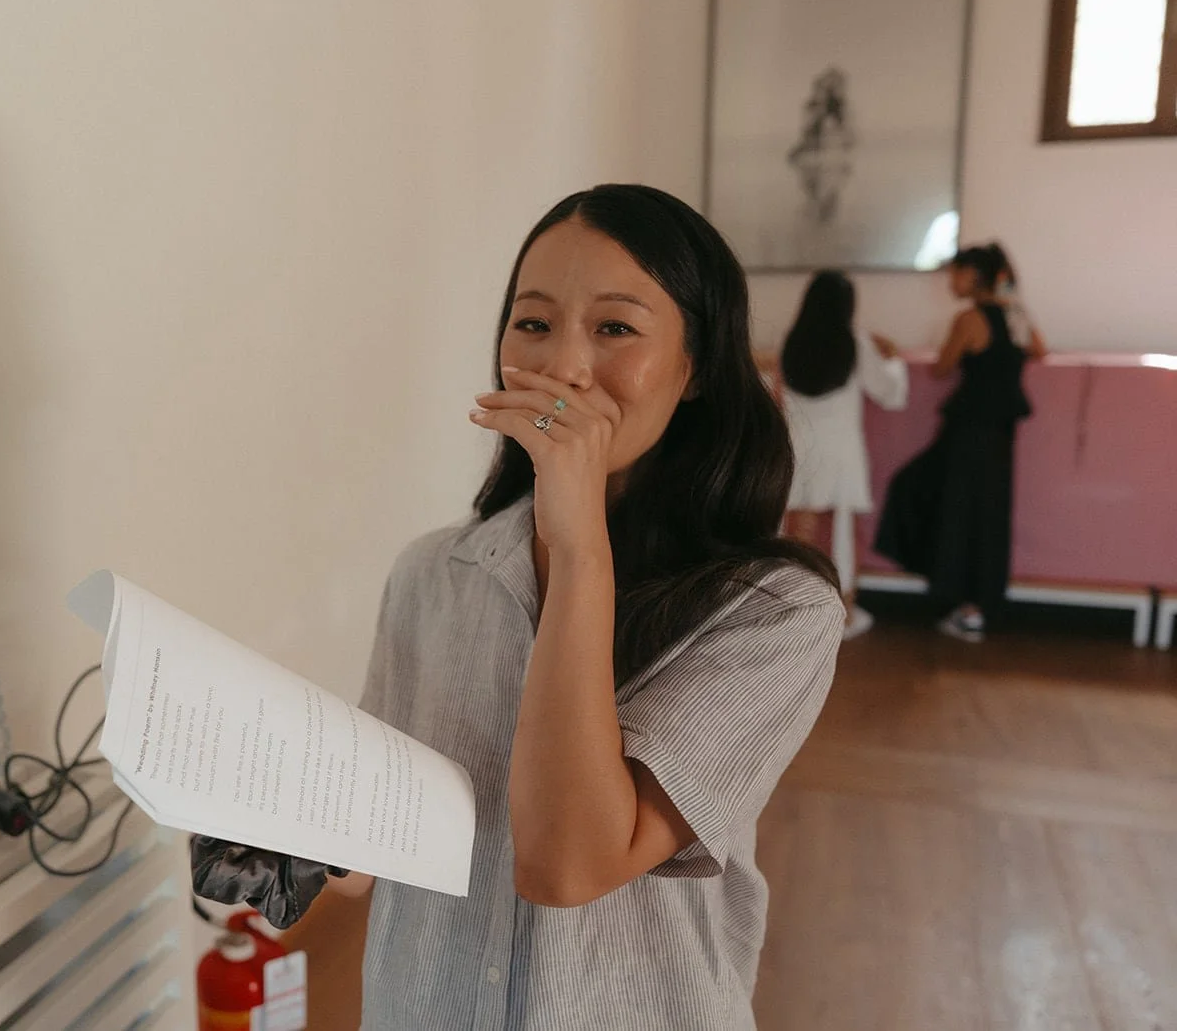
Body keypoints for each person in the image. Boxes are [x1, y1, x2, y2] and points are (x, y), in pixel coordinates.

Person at [192, 184, 844, 1030]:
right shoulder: (433, 573)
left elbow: (567, 866)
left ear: (695, 369)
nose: (562, 366)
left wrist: (578, 550)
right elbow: (381, 841)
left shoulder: (775, 613)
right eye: (533, 322)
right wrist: (272, 815)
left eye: (615, 328)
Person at [875, 243, 1045, 642]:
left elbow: (941, 368)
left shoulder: (969, 318)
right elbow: (1038, 350)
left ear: (972, 275)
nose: (951, 281)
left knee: (943, 505)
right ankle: (978, 607)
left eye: (955, 273)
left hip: (968, 431)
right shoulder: (1015, 315)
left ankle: (963, 604)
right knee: (987, 517)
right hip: (1001, 434)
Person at [779, 270, 908, 639]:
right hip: (840, 451)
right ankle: (844, 611)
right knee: (841, 534)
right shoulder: (856, 342)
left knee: (796, 531)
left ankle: (791, 608)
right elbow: (890, 394)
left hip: (797, 447)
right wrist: (894, 358)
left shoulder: (791, 340)